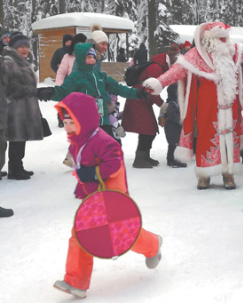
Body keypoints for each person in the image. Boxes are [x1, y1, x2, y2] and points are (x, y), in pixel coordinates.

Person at [52, 92, 162, 299]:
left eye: (71, 122)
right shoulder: (77, 140)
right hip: (95, 197)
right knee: (81, 234)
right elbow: (81, 166)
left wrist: (92, 173)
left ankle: (153, 244)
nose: (67, 128)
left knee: (125, 234)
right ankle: (75, 282)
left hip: (112, 196)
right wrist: (83, 185)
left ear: (83, 120)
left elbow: (114, 162)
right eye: (65, 123)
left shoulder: (103, 140)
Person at [143, 22, 243, 189]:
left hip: (230, 108)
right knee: (206, 139)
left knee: (230, 139)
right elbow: (176, 71)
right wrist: (159, 82)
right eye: (221, 39)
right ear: (210, 40)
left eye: (226, 38)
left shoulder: (234, 52)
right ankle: (204, 174)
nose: (225, 42)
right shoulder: (195, 56)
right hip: (206, 110)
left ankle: (228, 173)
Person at [37, 43, 147, 139]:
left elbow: (118, 88)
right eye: (88, 57)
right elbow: (63, 91)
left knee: (106, 151)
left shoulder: (100, 76)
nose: (92, 60)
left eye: (93, 57)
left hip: (103, 121)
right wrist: (50, 92)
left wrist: (137, 93)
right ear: (81, 59)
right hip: (85, 124)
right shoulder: (75, 77)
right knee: (88, 154)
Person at [121, 44, 178, 169]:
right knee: (148, 129)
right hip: (139, 99)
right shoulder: (156, 68)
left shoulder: (158, 66)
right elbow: (150, 90)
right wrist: (162, 105)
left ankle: (144, 155)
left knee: (149, 129)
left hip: (141, 100)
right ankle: (139, 158)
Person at [2, 34, 44, 180]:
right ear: (14, 47)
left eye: (26, 46)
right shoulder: (9, 61)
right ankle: (14, 169)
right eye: (21, 46)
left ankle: (17, 166)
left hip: (23, 107)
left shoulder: (23, 62)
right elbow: (9, 86)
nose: (25, 49)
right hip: (13, 108)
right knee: (15, 138)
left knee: (20, 139)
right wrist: (32, 91)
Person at [55, 33, 88, 130]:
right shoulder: (68, 57)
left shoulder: (89, 56)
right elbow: (61, 73)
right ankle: (76, 143)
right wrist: (59, 88)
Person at [160, 83, 187, 168]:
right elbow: (172, 115)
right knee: (174, 144)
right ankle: (174, 160)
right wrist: (180, 120)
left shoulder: (172, 101)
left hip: (172, 127)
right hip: (173, 127)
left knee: (173, 144)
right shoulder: (173, 103)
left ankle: (170, 160)